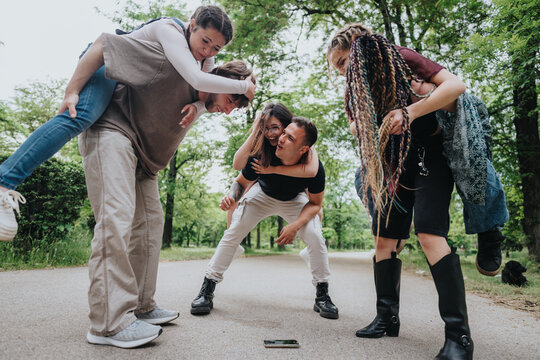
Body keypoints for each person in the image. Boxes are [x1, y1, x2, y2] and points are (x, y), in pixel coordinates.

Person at [0, 5, 256, 242]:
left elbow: (205, 86)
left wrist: (199, 106)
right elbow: (196, 80)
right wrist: (245, 86)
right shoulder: (169, 30)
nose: (208, 51)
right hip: (104, 63)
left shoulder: (203, 59)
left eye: (216, 49)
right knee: (80, 117)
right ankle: (5, 181)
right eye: (206, 41)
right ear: (192, 25)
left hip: (126, 88)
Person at [75, 21, 255, 348]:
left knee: (150, 225)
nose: (228, 111)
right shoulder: (170, 61)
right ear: (220, 82)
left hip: (144, 160)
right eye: (231, 100)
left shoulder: (201, 95)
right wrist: (73, 91)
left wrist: (204, 104)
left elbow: (206, 83)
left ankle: (141, 307)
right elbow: (106, 45)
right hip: (112, 133)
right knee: (116, 218)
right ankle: (106, 324)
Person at [327, 23, 478, 359]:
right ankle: (386, 317)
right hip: (390, 167)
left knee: (428, 234)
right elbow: (355, 125)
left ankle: (459, 338)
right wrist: (362, 124)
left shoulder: (403, 58)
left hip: (430, 157)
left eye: (344, 60)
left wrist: (409, 111)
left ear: (363, 48)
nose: (342, 70)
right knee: (384, 239)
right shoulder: (354, 90)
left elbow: (455, 86)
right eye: (337, 65)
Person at [190, 117, 339, 320]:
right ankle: (207, 289)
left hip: (295, 199)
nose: (281, 138)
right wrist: (231, 197)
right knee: (234, 229)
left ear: (303, 149)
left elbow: (315, 204)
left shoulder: (314, 169)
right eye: (284, 132)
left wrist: (294, 226)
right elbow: (240, 182)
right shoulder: (264, 153)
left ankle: (322, 294)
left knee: (314, 235)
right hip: (262, 195)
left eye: (290, 138)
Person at [223, 102, 321, 259]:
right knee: (236, 198)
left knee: (316, 207)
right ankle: (232, 245)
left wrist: (273, 169)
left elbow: (311, 171)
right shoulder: (262, 141)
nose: (269, 134)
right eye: (265, 128)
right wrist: (256, 130)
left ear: (287, 126)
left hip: (295, 183)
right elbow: (237, 165)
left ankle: (311, 248)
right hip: (264, 182)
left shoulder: (300, 141)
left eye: (274, 127)